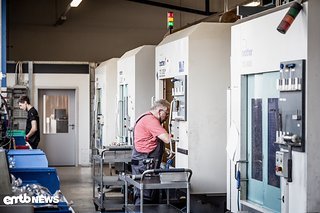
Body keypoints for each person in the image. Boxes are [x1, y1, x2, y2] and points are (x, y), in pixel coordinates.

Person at [131, 99, 171, 205]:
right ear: (159, 111)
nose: (166, 117)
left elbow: (150, 139)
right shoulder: (151, 120)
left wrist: (165, 149)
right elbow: (167, 139)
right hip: (144, 163)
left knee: (150, 193)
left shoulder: (145, 116)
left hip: (144, 160)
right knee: (145, 195)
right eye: (166, 114)